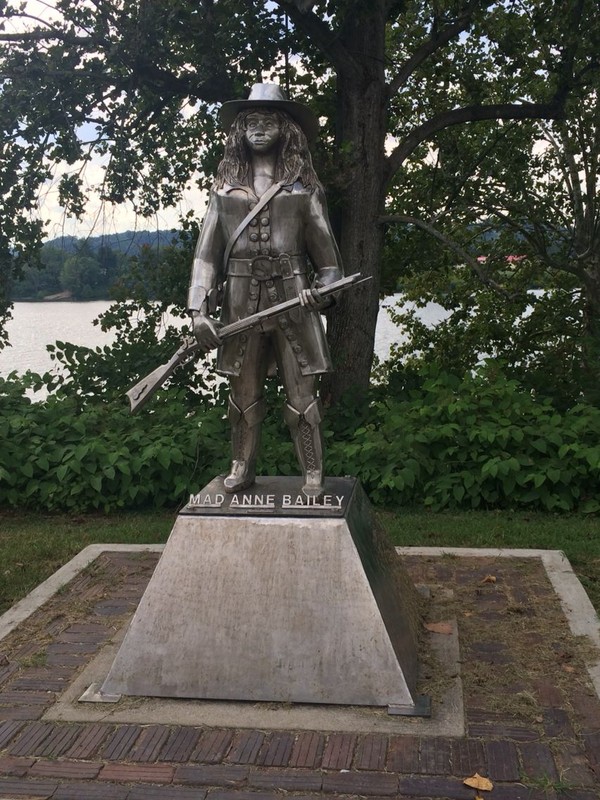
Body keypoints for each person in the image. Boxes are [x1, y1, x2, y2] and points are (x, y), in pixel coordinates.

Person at [187, 83, 343, 498]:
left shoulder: (304, 191)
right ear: (239, 131)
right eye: (250, 122)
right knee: (242, 392)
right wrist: (198, 310)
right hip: (240, 304)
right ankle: (241, 465)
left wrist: (321, 293)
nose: (258, 129)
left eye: (268, 121)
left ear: (285, 129)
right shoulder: (222, 193)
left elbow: (329, 265)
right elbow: (205, 257)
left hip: (294, 300)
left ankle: (313, 470)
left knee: (302, 393)